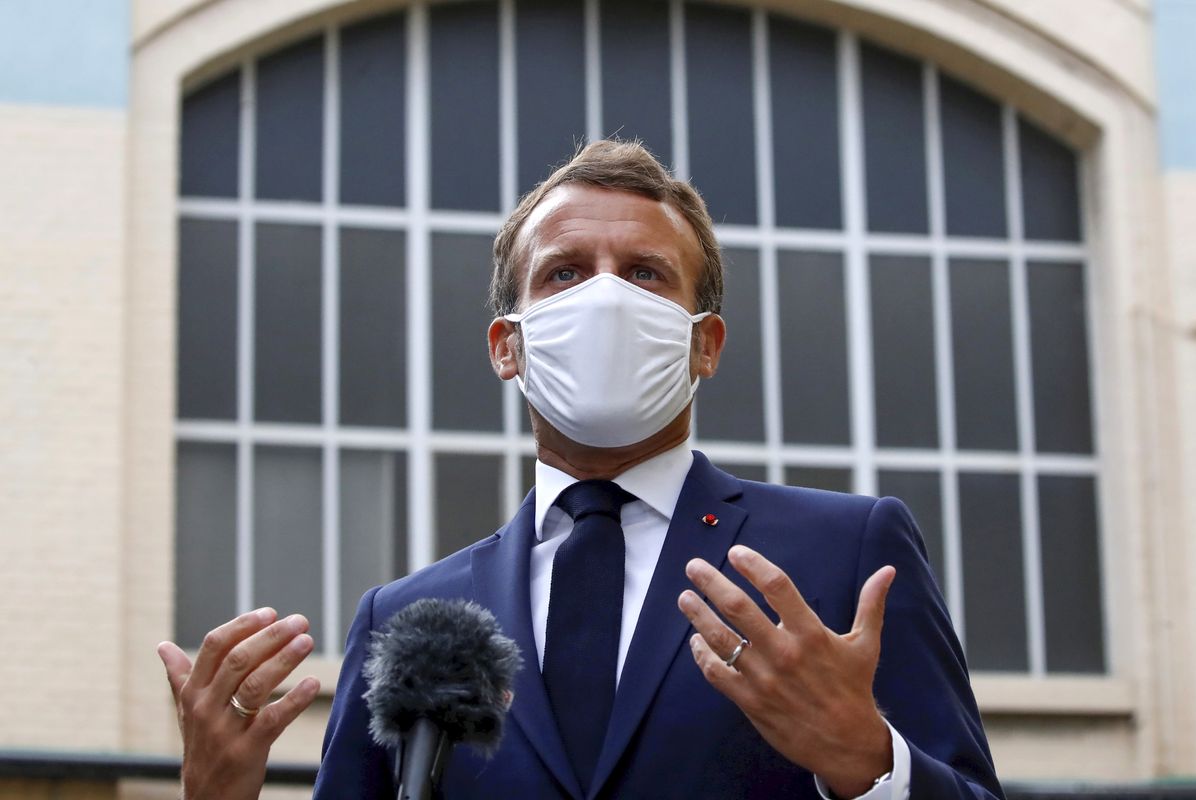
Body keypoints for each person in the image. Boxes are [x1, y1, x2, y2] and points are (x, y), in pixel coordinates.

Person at [159, 140, 1004, 800]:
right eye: (564, 273)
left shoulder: (844, 554)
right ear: (507, 347)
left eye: (644, 274)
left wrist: (869, 762)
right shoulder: (411, 622)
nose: (605, 299)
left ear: (704, 343)